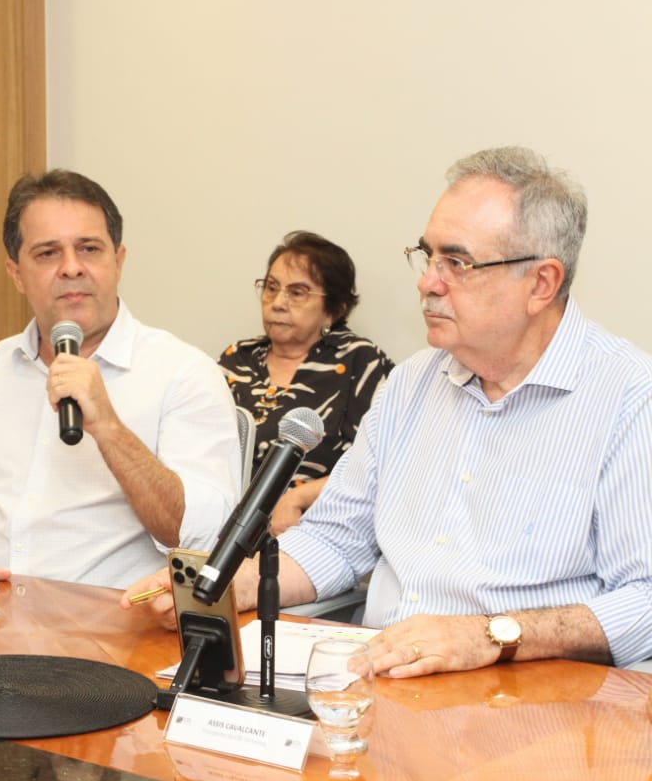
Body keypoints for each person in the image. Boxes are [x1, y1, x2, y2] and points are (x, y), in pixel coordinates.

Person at [124, 147, 652, 676]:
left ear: (541, 283)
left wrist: (494, 635)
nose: (428, 281)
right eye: (428, 257)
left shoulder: (629, 397)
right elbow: (336, 539)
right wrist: (220, 585)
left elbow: (645, 602)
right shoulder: (411, 384)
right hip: (380, 685)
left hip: (527, 702)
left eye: (457, 263)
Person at [0, 169, 239, 596]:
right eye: (47, 254)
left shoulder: (183, 374)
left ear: (119, 260)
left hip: (116, 633)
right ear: (16, 274)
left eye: (89, 249)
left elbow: (205, 539)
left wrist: (109, 429)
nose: (71, 268)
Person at [220, 231, 393, 534]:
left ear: (334, 310)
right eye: (271, 288)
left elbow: (382, 463)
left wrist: (298, 497)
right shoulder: (238, 359)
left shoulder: (359, 362)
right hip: (224, 528)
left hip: (314, 530)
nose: (277, 303)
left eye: (297, 293)